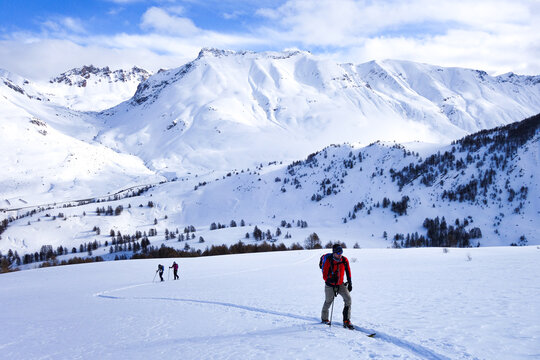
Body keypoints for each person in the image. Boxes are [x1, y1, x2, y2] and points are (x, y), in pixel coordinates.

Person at [320, 244, 354, 329]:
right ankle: (324, 319)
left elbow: (348, 272)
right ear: (334, 253)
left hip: (340, 284)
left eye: (341, 252)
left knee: (348, 299)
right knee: (328, 301)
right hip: (329, 285)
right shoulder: (328, 260)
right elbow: (324, 276)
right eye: (338, 253)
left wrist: (350, 283)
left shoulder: (344, 260)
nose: (340, 255)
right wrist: (331, 280)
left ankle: (346, 320)